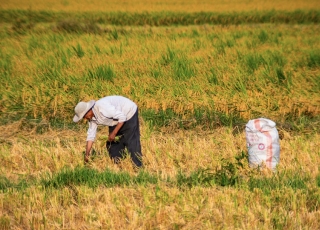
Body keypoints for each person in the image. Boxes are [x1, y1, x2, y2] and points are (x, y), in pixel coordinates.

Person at [73, 95, 142, 168]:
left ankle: (137, 167)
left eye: (84, 116)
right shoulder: (91, 119)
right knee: (112, 143)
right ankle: (118, 165)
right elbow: (91, 136)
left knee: (131, 140)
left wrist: (114, 133)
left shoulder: (103, 108)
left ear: (89, 110)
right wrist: (87, 154)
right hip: (115, 120)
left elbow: (122, 117)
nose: (85, 118)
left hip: (128, 112)